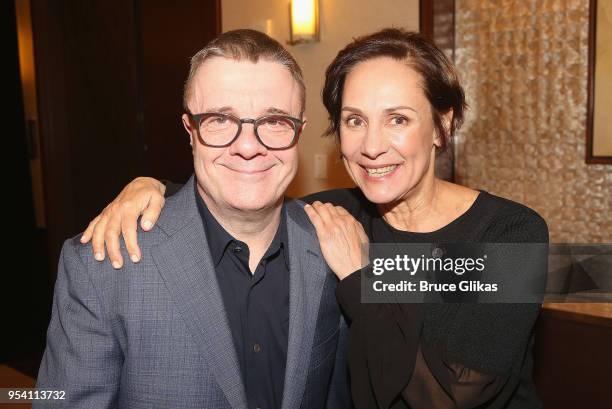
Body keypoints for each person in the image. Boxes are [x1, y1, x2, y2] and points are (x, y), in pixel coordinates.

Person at [82, 29, 548, 409]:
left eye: (398, 119)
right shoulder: (337, 215)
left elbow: (458, 395)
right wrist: (150, 188)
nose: (372, 145)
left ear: (443, 125)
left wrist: (360, 277)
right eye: (354, 120)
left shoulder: (510, 234)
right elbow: (241, 190)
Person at [35, 29, 351, 409]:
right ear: (190, 131)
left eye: (273, 121)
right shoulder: (101, 265)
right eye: (220, 119)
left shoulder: (339, 242)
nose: (248, 147)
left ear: (298, 130)